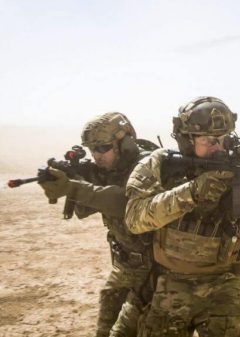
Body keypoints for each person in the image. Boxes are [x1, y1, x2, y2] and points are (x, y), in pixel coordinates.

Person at [123, 96, 240, 336]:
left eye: (223, 139)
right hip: (169, 282)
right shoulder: (161, 164)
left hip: (223, 284)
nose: (218, 147)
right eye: (208, 141)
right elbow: (135, 219)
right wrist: (192, 192)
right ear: (186, 140)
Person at [38, 112, 156, 337]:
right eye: (93, 150)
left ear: (125, 142)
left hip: (156, 274)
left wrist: (74, 187)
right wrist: (72, 180)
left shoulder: (150, 165)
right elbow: (85, 209)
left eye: (103, 148)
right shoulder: (107, 171)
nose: (97, 156)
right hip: (125, 269)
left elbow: (126, 203)